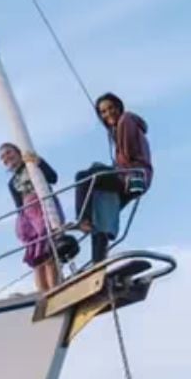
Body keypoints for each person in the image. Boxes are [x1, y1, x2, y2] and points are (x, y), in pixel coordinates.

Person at [74, 92, 154, 263]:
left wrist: (117, 141)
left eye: (111, 108)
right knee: (102, 212)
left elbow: (129, 153)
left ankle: (82, 219)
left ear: (119, 107)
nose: (108, 113)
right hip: (135, 180)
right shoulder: (120, 127)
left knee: (84, 177)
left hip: (133, 177)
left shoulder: (126, 120)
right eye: (103, 111)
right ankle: (98, 262)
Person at [0, 142, 65, 293]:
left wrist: (39, 162)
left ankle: (54, 288)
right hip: (30, 216)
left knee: (49, 250)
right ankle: (43, 291)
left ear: (17, 152)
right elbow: (19, 206)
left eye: (8, 152)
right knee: (37, 257)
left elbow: (53, 178)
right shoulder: (12, 183)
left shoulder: (33, 165)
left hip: (44, 208)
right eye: (3, 157)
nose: (6, 157)